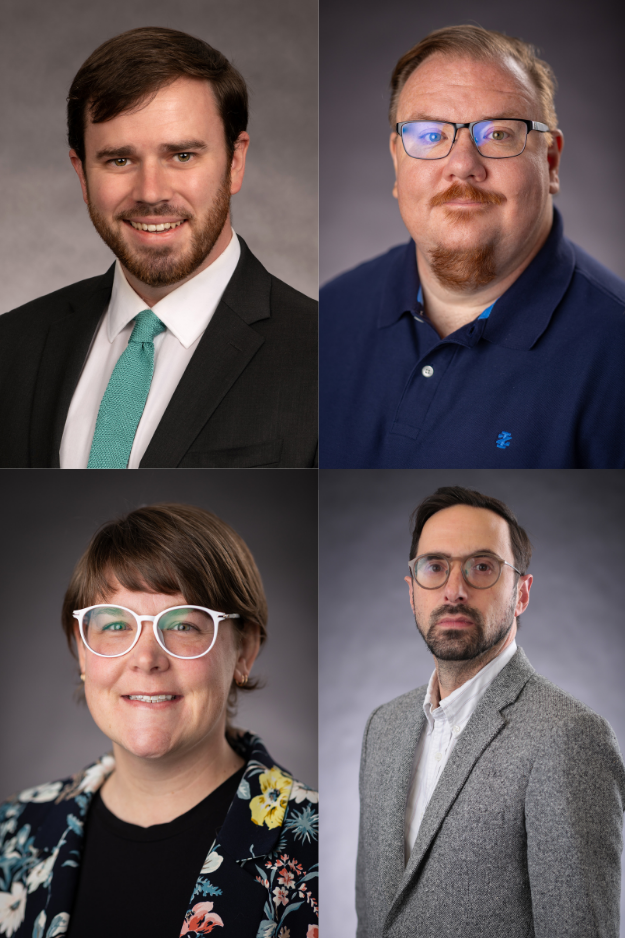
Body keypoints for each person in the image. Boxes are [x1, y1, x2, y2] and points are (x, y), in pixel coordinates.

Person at [0, 27, 317, 468]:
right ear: (82, 174)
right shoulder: (11, 347)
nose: (151, 192)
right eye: (119, 160)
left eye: (182, 156)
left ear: (235, 162)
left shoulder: (324, 358)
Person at [0, 504, 318, 938]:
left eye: (184, 625)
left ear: (243, 650)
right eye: (115, 624)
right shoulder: (12, 832)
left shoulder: (320, 845)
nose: (146, 659)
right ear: (81, 650)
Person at [320, 25, 625, 468]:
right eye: (430, 135)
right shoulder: (328, 317)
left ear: (551, 162)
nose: (462, 166)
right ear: (396, 160)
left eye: (499, 134)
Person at [356, 485, 625, 936]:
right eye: (435, 567)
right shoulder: (382, 728)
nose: (454, 590)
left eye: (482, 567)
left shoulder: (569, 736)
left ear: (521, 593)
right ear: (412, 591)